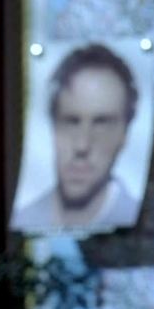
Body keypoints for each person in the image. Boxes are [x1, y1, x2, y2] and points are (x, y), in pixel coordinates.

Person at [13, 43, 140, 234]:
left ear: (124, 135)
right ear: (53, 127)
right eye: (71, 121)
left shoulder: (144, 224)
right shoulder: (24, 218)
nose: (82, 145)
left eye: (101, 123)